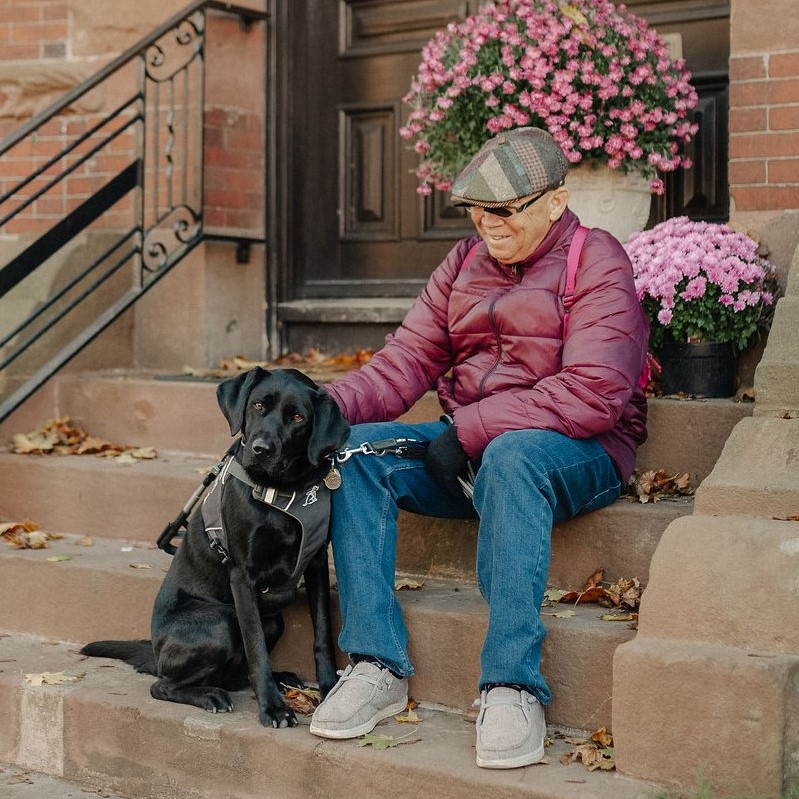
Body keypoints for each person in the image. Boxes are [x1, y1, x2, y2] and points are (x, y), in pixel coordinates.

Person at [308, 126, 649, 769]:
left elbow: (595, 392)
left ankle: (512, 684)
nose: (486, 224)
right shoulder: (463, 263)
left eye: (503, 210)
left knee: (513, 455)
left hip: (581, 451)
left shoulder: (595, 258)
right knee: (351, 454)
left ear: (555, 200)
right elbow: (405, 362)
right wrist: (320, 413)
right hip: (476, 447)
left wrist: (469, 430)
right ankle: (377, 664)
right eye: (476, 210)